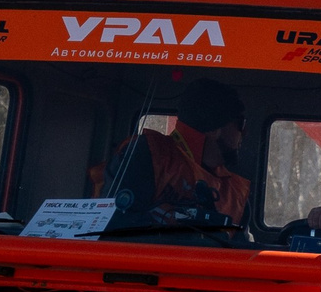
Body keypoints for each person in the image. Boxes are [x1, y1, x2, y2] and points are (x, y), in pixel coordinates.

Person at [104, 77, 251, 224]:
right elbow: (113, 222)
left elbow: (239, 243)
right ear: (213, 130)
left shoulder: (237, 195)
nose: (244, 133)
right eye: (240, 124)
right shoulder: (147, 155)